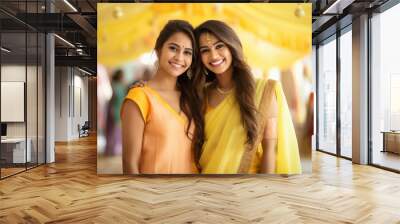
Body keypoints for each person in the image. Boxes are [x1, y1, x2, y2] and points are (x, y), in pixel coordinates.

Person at [193, 20, 302, 174]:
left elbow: (270, 149)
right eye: (205, 50)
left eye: (219, 46)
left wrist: (262, 189)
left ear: (232, 46)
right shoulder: (201, 95)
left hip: (245, 185)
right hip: (206, 182)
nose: (213, 55)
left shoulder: (263, 91)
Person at [120, 20, 204, 174]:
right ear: (158, 50)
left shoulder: (193, 98)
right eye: (173, 48)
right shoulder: (139, 97)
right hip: (154, 194)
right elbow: (129, 163)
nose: (179, 57)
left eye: (187, 52)